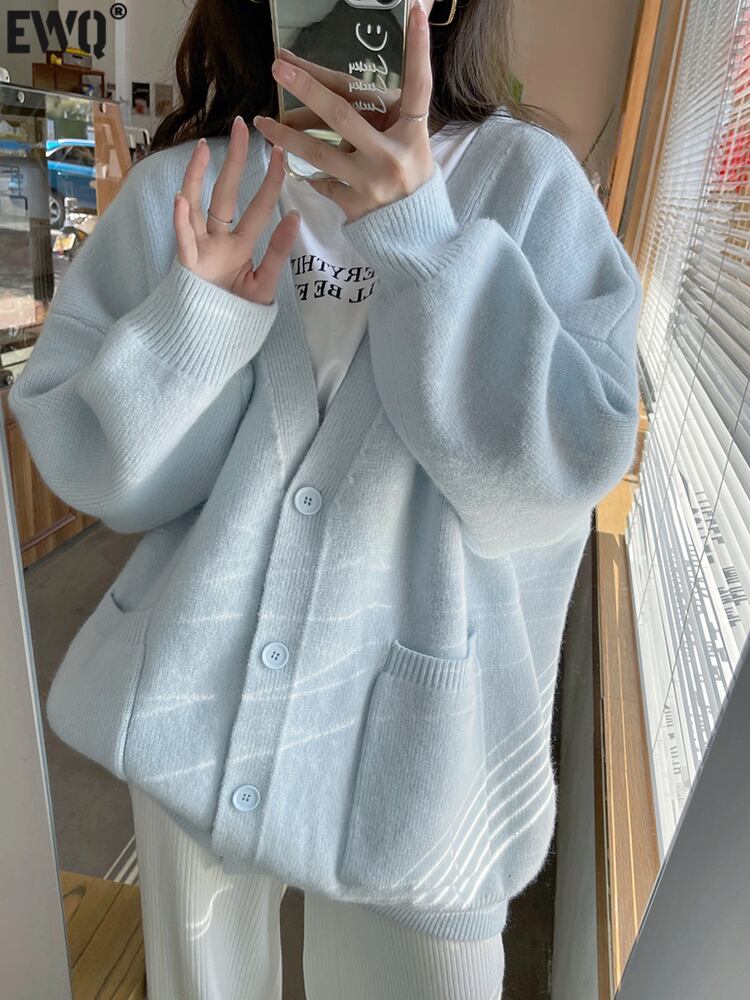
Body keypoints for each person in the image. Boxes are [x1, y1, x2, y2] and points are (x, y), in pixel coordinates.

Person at [8, 1, 643, 997]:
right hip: (193, 713)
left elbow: (557, 476)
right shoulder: (187, 184)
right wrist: (194, 327)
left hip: (424, 758)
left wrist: (425, 242)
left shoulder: (530, 186)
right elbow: (95, 473)